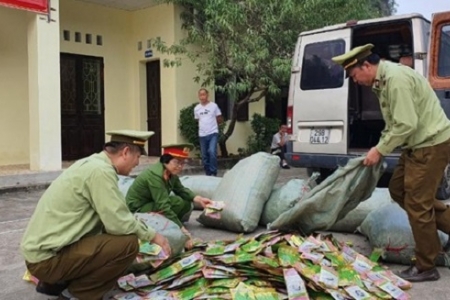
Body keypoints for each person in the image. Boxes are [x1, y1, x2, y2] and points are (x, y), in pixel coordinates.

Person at [332, 43, 450, 282]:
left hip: (430, 144)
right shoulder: (381, 81)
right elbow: (394, 124)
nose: (356, 81)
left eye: (355, 76)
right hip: (415, 144)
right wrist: (379, 146)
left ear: (366, 65)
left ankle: (427, 265)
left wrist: (380, 150)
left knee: (417, 204)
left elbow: (406, 124)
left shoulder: (395, 79)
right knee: (398, 190)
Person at [20, 130, 171, 300]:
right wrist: (153, 236)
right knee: (127, 245)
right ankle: (77, 294)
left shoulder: (92, 164)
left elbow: (112, 217)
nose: (137, 163)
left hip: (44, 254)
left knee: (109, 236)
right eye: (138, 157)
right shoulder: (101, 172)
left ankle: (55, 283)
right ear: (126, 152)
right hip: (47, 261)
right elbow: (119, 222)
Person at [126, 143, 213, 248]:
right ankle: (171, 227)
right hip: (138, 208)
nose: (180, 166)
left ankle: (172, 224)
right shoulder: (155, 176)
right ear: (165, 160)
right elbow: (163, 205)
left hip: (152, 203)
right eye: (176, 162)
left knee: (186, 202)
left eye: (182, 163)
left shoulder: (170, 172)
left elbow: (180, 190)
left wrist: (199, 199)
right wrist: (182, 229)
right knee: (175, 202)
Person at [194, 88, 223, 176]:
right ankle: (208, 173)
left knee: (212, 151)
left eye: (204, 94)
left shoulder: (213, 106)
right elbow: (197, 119)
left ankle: (213, 172)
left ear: (207, 95)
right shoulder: (197, 108)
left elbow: (219, 118)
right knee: (204, 156)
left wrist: (214, 126)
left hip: (213, 133)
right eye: (200, 95)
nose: (202, 97)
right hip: (202, 134)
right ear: (199, 96)